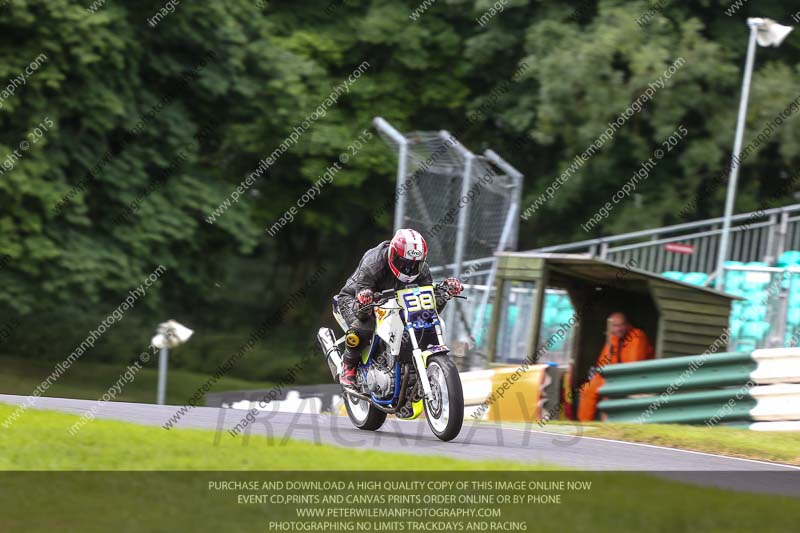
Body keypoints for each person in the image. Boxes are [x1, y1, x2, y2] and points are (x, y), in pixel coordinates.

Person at [333, 228, 463, 387]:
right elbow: (361, 312)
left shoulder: (423, 271)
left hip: (395, 302)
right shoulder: (373, 263)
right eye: (405, 263)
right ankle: (348, 365)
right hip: (354, 298)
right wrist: (366, 299)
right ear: (393, 255)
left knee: (422, 321)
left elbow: (428, 305)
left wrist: (444, 293)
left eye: (415, 264)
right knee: (367, 323)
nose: (410, 269)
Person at [577, 312, 654, 422]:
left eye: (621, 325)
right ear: (610, 327)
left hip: (635, 378)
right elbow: (602, 365)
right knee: (587, 388)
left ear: (627, 325)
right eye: (615, 326)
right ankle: (584, 424)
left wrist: (611, 379)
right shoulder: (613, 339)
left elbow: (633, 366)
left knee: (608, 392)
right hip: (614, 377)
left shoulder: (637, 336)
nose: (619, 329)